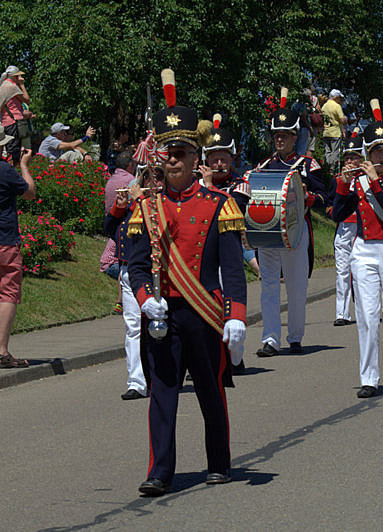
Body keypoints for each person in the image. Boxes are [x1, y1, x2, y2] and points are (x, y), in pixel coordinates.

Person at [127, 71, 246, 496]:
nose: (172, 160)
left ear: (195, 158)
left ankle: (219, 461)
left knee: (211, 391)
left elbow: (232, 268)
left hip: (205, 313)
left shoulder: (220, 205)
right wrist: (144, 300)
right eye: (167, 154)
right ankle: (160, 471)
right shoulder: (148, 207)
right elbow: (136, 266)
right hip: (163, 315)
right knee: (162, 394)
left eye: (180, 153)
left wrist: (236, 316)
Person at [331, 99, 383, 398]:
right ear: (369, 153)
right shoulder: (358, 182)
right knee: (366, 316)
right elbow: (338, 215)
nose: (381, 155)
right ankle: (368, 377)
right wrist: (342, 184)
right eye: (376, 150)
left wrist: (376, 181)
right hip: (363, 251)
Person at [254, 89, 328, 357]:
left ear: (295, 137)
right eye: (276, 135)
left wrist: (308, 197)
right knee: (269, 287)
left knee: (297, 287)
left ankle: (295, 336)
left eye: (284, 135)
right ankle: (270, 339)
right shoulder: (262, 166)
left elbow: (324, 199)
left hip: (296, 233)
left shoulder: (308, 165)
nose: (280, 140)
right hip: (267, 232)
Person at [104, 166, 164, 400]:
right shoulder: (132, 205)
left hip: (159, 272)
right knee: (133, 327)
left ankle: (164, 376)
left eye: (158, 177)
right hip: (131, 270)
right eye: (148, 177)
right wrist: (119, 207)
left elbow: (157, 230)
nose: (153, 182)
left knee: (161, 323)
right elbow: (110, 231)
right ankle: (136, 382)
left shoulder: (165, 203)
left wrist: (140, 201)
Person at [198, 116, 252, 375]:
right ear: (206, 160)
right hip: (202, 254)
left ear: (232, 160)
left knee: (229, 306)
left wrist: (208, 187)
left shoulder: (241, 186)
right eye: (214, 158)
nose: (218, 163)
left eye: (223, 159)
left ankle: (235, 356)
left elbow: (231, 210)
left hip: (228, 254)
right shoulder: (195, 186)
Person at [0, 140, 34, 369]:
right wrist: (24, 165)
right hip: (5, 241)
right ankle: (1, 351)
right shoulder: (5, 170)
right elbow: (29, 192)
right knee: (8, 292)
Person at [329, 131, 364, 327]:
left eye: (354, 157)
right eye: (348, 157)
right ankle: (341, 313)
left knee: (360, 272)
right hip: (343, 229)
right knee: (342, 271)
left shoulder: (367, 178)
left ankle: (362, 310)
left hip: (361, 229)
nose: (350, 161)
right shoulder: (336, 179)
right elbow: (329, 204)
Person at [0, 66, 34, 164]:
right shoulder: (12, 87)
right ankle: (15, 170)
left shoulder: (3, 85)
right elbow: (27, 100)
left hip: (6, 121)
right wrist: (22, 85)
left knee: (10, 148)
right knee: (15, 151)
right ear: (15, 76)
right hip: (14, 122)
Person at [321, 89, 347, 172]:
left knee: (328, 152)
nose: (340, 100)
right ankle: (333, 169)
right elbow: (342, 120)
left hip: (326, 132)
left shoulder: (324, 106)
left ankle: (327, 168)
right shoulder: (337, 106)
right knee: (335, 152)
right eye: (339, 98)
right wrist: (346, 119)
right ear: (335, 97)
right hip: (335, 132)